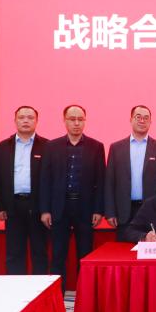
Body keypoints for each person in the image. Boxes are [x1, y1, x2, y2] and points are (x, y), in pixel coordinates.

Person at [39, 105, 105, 292]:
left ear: (85, 121)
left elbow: (101, 180)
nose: (76, 123)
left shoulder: (96, 147)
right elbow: (45, 180)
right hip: (59, 208)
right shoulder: (51, 146)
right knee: (58, 255)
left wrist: (98, 210)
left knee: (85, 255)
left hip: (85, 208)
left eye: (80, 119)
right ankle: (57, 296)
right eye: (72, 119)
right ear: (64, 120)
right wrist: (45, 210)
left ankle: (85, 295)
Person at [0, 106, 49, 276]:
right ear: (15, 120)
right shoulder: (2, 147)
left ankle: (40, 288)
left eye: (30, 117)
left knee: (40, 252)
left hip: (38, 207)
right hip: (13, 206)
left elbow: (52, 181)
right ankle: (16, 288)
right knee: (14, 253)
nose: (25, 121)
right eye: (21, 117)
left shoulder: (47, 146)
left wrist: (47, 209)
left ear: (36, 121)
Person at [104, 105, 156, 241]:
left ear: (150, 122)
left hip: (152, 209)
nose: (142, 121)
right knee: (124, 250)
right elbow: (110, 181)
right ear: (131, 120)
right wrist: (110, 211)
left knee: (151, 249)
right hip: (123, 210)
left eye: (146, 118)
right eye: (138, 117)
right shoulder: (116, 148)